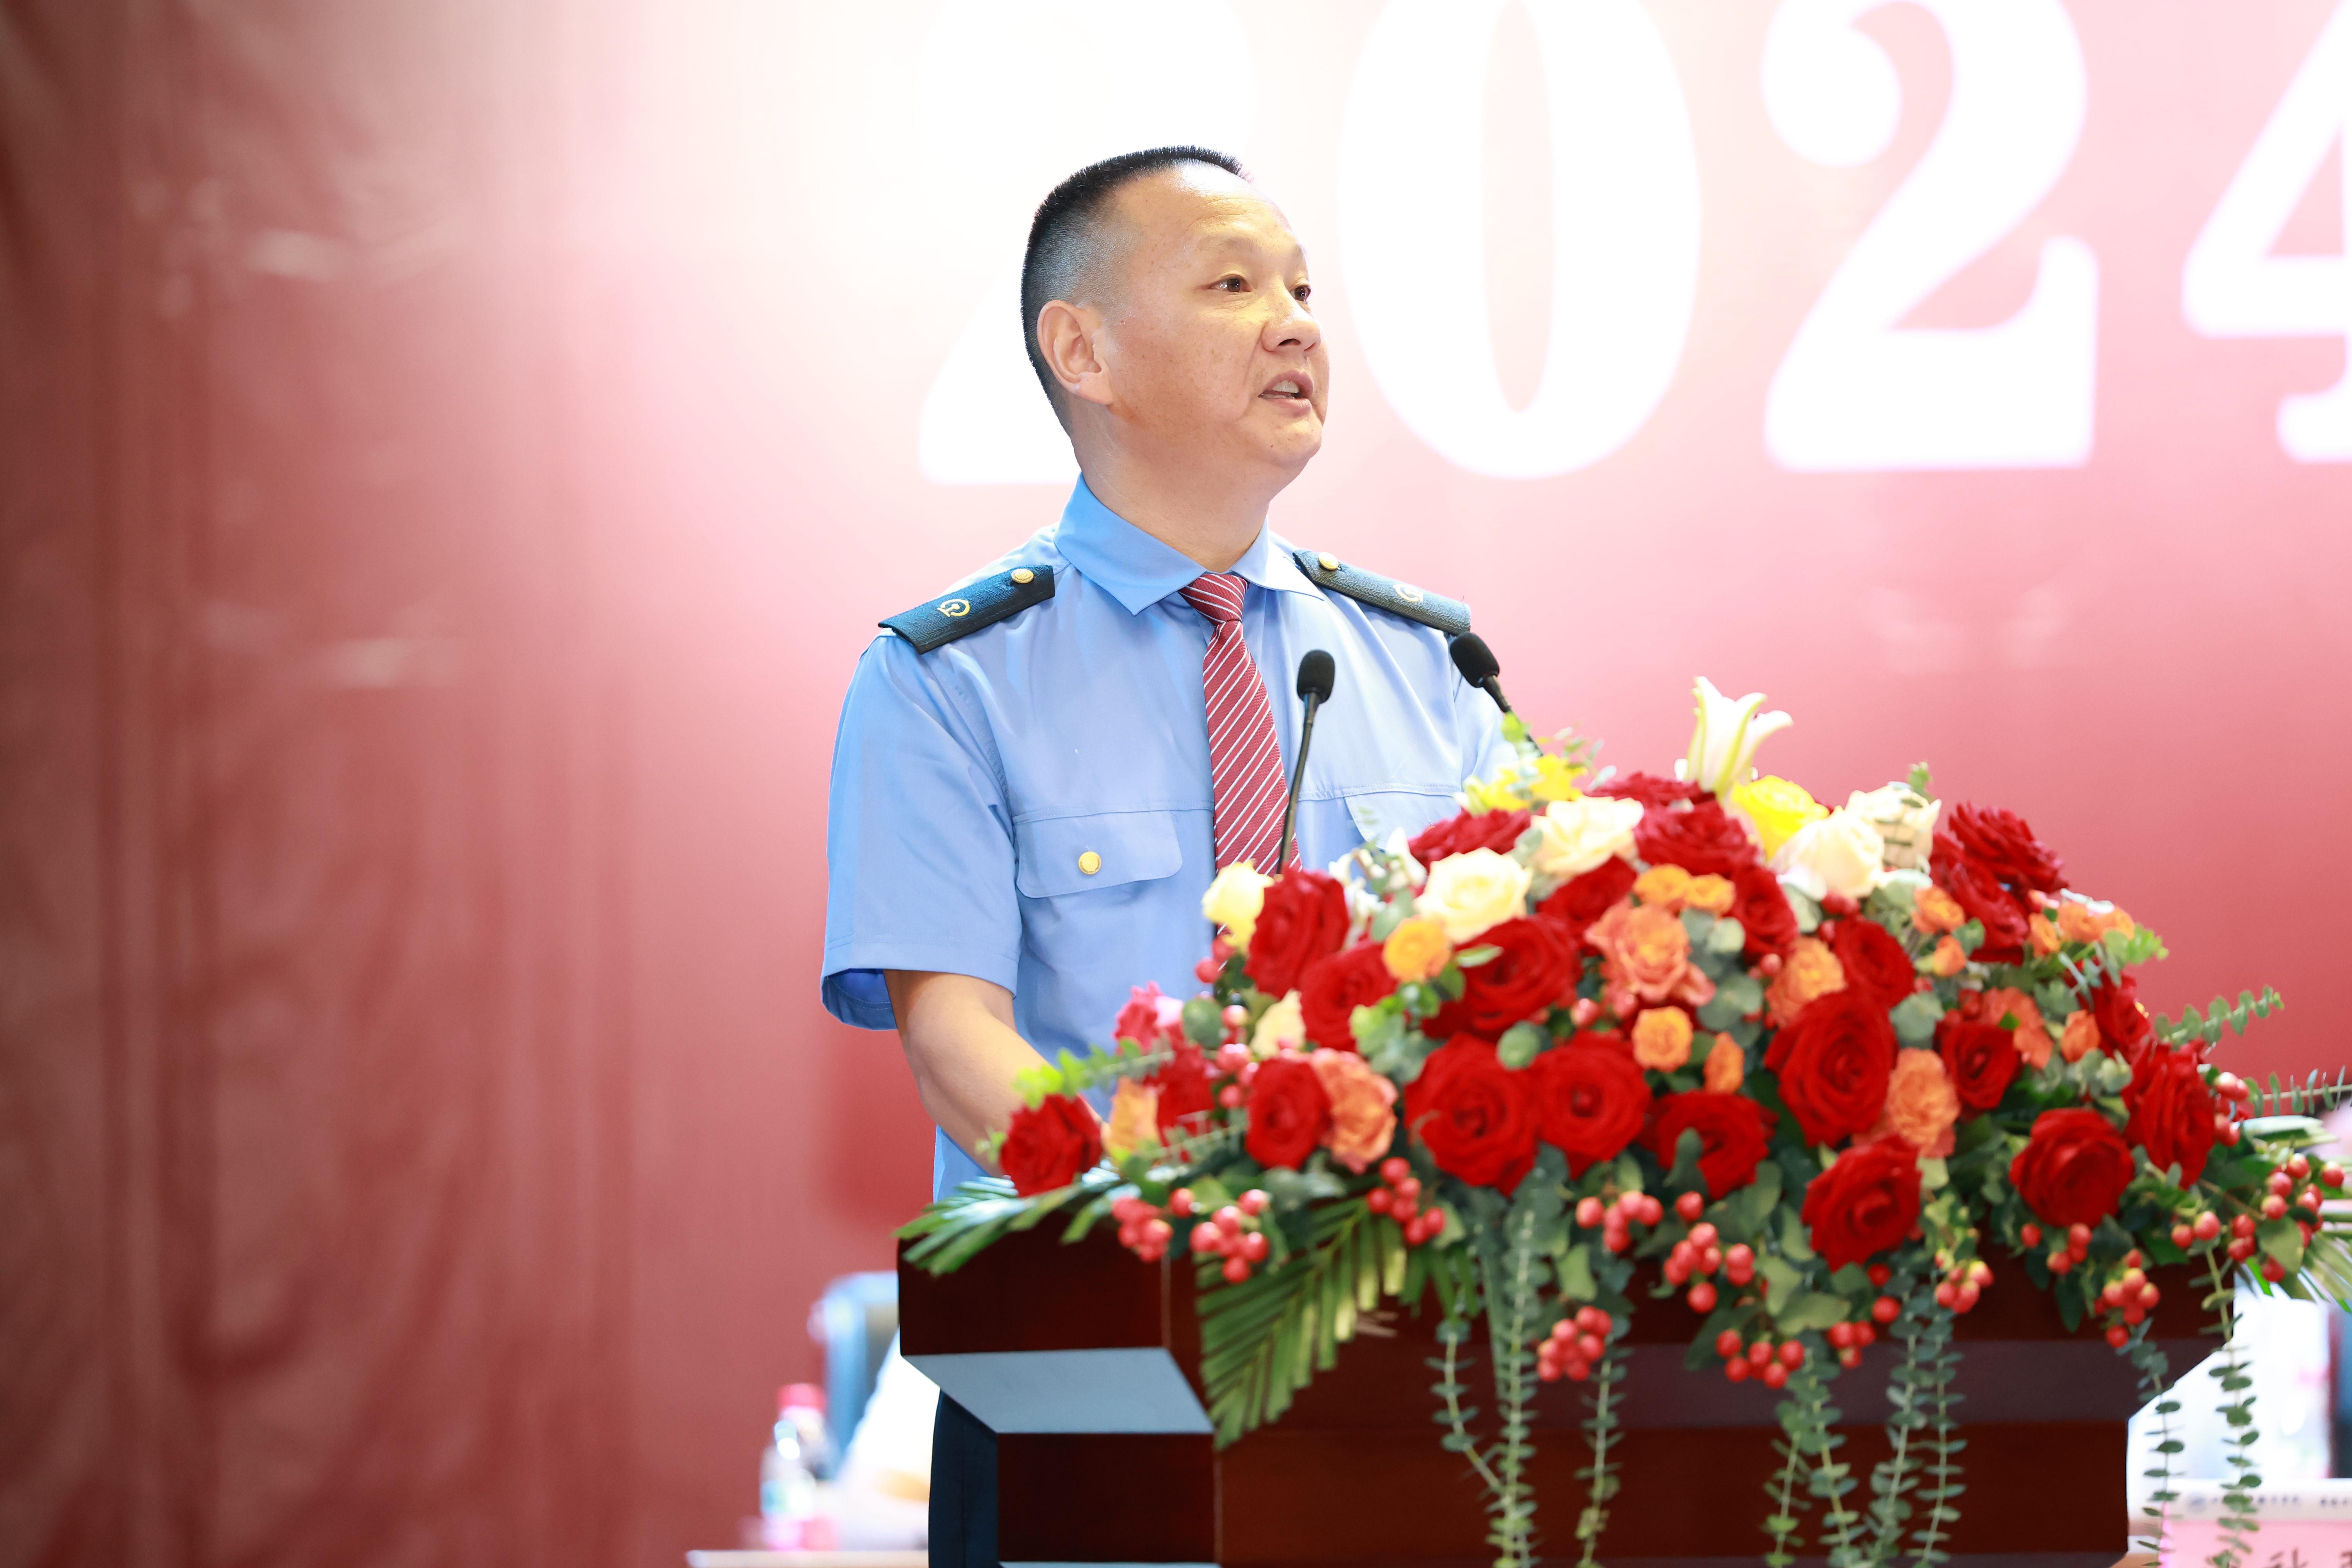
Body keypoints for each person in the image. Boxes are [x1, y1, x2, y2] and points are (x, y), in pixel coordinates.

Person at [819, 145, 1512, 1563]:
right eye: (1234, 286)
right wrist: (1208, 1242)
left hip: (1401, 1382)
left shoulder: (1432, 667)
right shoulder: (949, 680)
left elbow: (1518, 1005)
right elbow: (958, 1044)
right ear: (1083, 351)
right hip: (1081, 1384)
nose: (1296, 323)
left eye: (1304, 289)